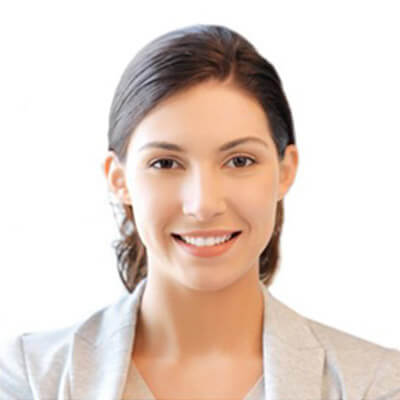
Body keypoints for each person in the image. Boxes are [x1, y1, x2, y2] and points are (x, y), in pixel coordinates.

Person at [1, 24, 399, 400]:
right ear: (119, 179)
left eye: (240, 161)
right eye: (165, 163)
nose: (204, 204)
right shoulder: (31, 378)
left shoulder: (373, 385)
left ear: (285, 171)